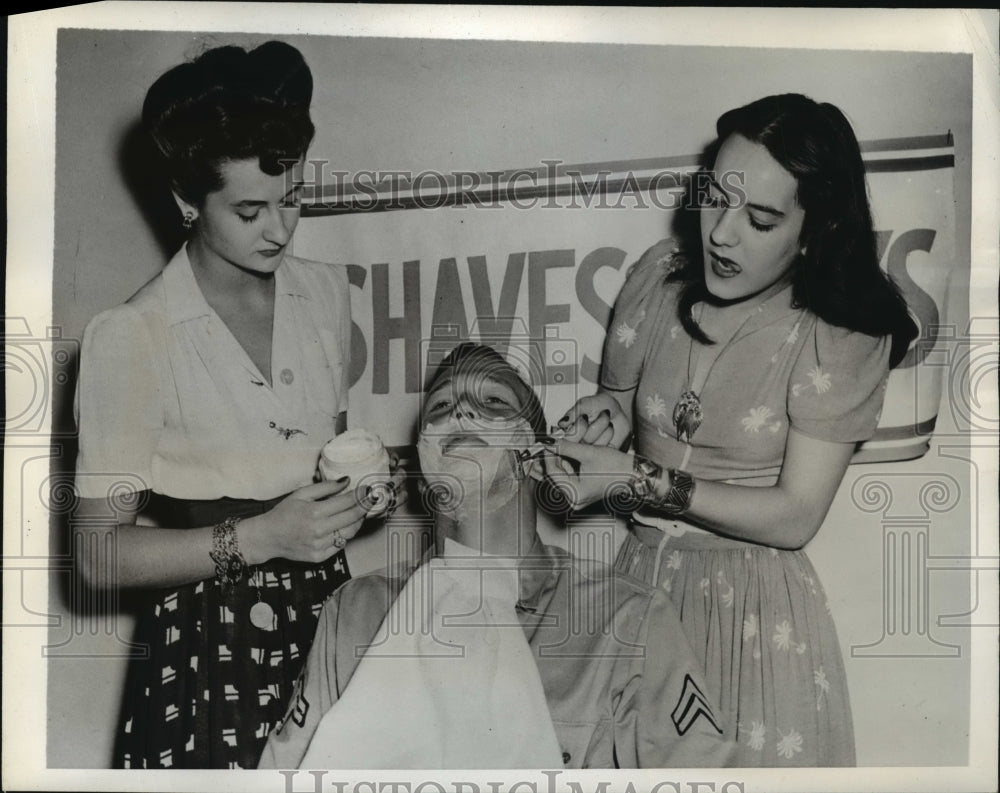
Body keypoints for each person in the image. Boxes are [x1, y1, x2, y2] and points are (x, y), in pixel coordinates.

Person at [543, 94, 918, 766]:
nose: (720, 233)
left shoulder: (837, 333)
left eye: (761, 219)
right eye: (716, 197)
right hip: (638, 592)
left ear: (813, 230)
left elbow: (795, 515)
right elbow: (618, 405)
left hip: (752, 620)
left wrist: (637, 479)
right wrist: (601, 420)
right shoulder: (658, 277)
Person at [72, 41, 395, 769]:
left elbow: (323, 467)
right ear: (187, 201)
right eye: (251, 210)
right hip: (208, 646)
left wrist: (356, 496)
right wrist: (260, 538)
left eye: (294, 199)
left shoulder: (324, 295)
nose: (279, 229)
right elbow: (94, 554)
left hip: (330, 625)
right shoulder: (133, 336)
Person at [257, 343, 735, 769]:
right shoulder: (355, 613)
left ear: (535, 449)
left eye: (492, 403)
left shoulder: (627, 620)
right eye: (441, 407)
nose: (462, 413)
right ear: (422, 464)